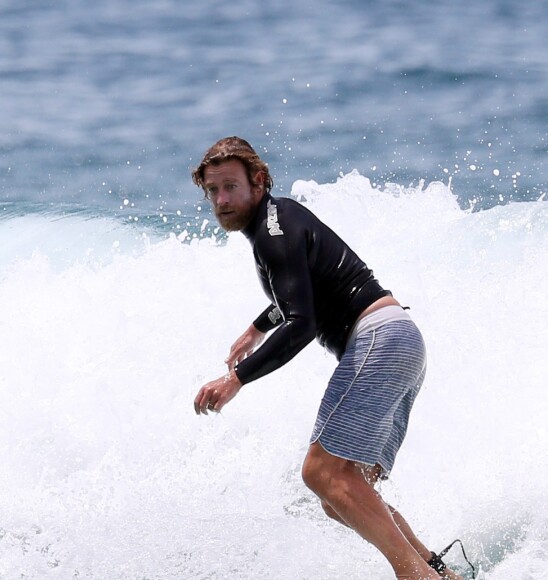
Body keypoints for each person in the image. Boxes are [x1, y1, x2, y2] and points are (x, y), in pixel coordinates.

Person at [192, 137, 463, 580]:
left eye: (230, 187)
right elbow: (305, 292)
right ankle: (438, 570)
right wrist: (257, 328)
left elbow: (301, 323)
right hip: (401, 342)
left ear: (257, 182)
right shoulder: (280, 221)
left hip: (380, 340)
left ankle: (416, 576)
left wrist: (236, 379)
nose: (221, 200)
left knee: (323, 473)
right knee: (343, 495)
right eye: (213, 191)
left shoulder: (271, 235)